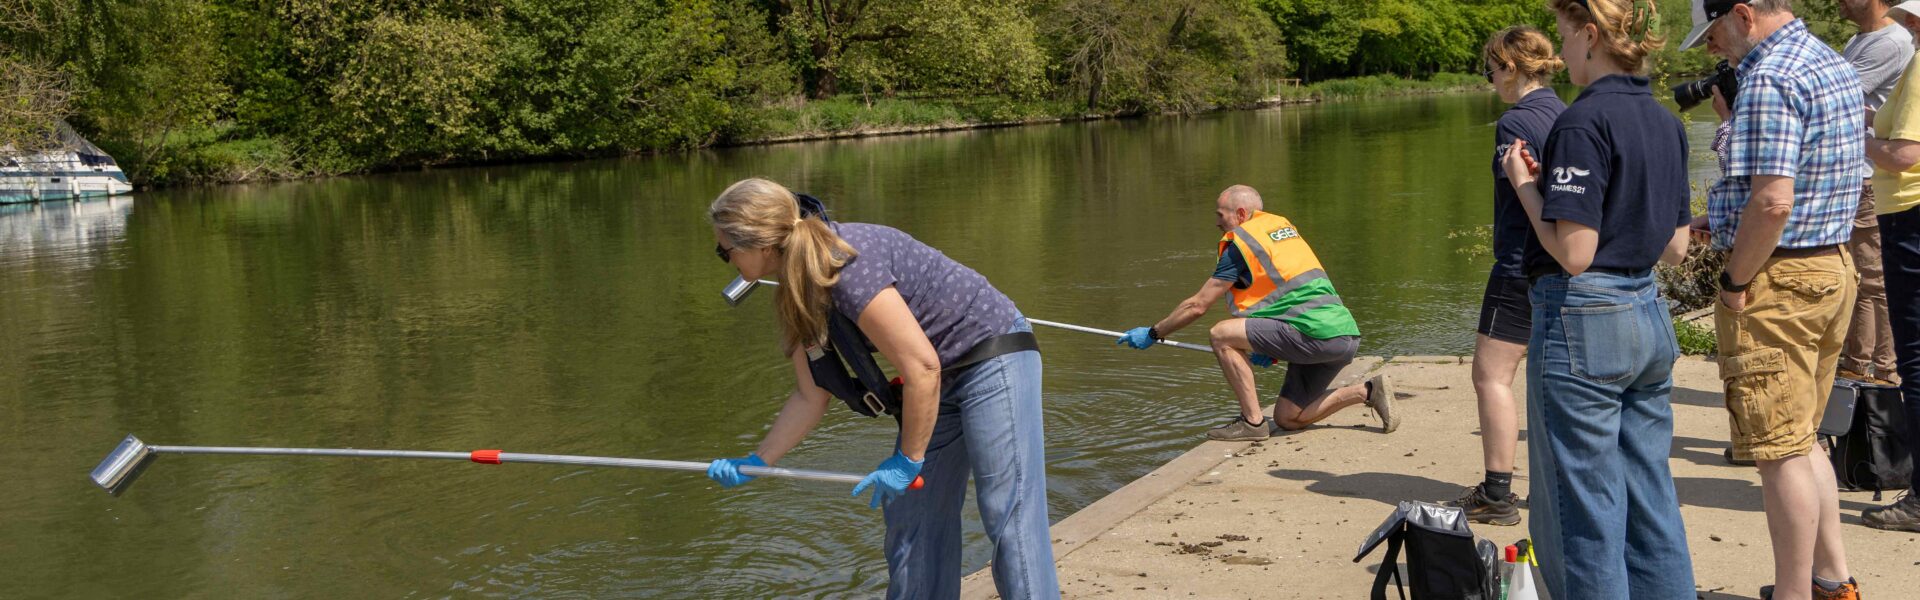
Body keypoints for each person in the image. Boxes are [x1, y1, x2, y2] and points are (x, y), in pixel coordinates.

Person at [702, 179, 1059, 599]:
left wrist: (908, 460)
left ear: (759, 245)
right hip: (938, 376)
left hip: (993, 354)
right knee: (912, 513)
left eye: (724, 251)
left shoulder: (848, 264)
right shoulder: (796, 291)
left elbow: (921, 367)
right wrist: (757, 460)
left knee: (1006, 511)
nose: (724, 259)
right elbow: (811, 394)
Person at [1500, 0, 1696, 597]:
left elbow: (1575, 252)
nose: (1561, 53)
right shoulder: (1667, 122)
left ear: (1591, 35)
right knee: (1650, 495)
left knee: (1582, 510)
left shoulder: (1582, 122)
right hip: (1648, 313)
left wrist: (1527, 185)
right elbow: (1677, 248)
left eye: (1564, 36)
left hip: (1584, 318)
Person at [1686, 0, 1866, 597]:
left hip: (1780, 279)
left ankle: (1793, 593)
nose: (1712, 48)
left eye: (1712, 32)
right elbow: (1805, 181)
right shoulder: (1830, 60)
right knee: (1803, 436)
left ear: (1741, 13)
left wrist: (1736, 281)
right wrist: (1725, 216)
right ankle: (1832, 581)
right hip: (1833, 264)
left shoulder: (1768, 76)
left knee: (1776, 450)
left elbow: (1774, 202)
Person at [1116, 185, 1395, 442]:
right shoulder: (1279, 228)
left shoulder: (1241, 242)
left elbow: (1198, 305)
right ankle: (1368, 391)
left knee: (1221, 335)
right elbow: (1285, 294)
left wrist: (1154, 333)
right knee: (1288, 418)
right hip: (1343, 335)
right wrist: (1270, 345)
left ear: (1239, 214)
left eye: (1220, 215)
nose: (1217, 222)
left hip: (1314, 334)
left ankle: (1252, 422)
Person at [1447, 25, 1567, 527]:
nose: (1490, 79)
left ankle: (1498, 494)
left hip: (1519, 262)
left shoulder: (1515, 122)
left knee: (1491, 376)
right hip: (1564, 261)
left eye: (1491, 70)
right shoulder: (1564, 112)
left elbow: (1523, 193)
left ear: (1511, 68)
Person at [1858, 0, 1920, 534]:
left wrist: (1863, 139)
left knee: (1916, 362)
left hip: (1910, 218)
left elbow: (1904, 154)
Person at [1839, 0, 1913, 386]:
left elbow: (1833, 94)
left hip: (1871, 178)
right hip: (1858, 176)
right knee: (1856, 274)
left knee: (1872, 276)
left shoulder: (1891, 42)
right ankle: (1861, 364)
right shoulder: (1862, 39)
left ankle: (1881, 370)